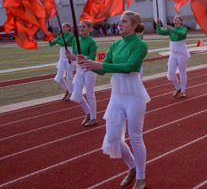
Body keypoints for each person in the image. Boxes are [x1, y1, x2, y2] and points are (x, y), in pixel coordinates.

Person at [79, 11, 149, 189]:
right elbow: (103, 70)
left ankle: (141, 177)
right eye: (119, 21)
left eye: (124, 22)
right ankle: (132, 166)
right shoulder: (115, 44)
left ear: (134, 26)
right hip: (117, 95)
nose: (119, 24)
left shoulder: (140, 45)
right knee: (112, 137)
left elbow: (130, 67)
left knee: (135, 137)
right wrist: (88, 64)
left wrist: (99, 64)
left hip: (134, 95)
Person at [67, 20, 98, 127]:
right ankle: (88, 113)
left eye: (84, 27)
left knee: (89, 93)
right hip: (80, 69)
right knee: (77, 94)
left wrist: (84, 58)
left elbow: (93, 58)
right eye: (80, 27)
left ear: (90, 29)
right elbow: (73, 56)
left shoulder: (92, 42)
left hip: (89, 69)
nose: (81, 28)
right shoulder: (76, 41)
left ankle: (93, 117)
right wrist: (70, 56)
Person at [156, 15, 190, 98]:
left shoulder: (183, 29)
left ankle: (183, 90)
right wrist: (158, 24)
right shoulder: (171, 30)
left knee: (182, 72)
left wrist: (172, 29)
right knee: (170, 74)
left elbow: (182, 34)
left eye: (177, 18)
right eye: (174, 18)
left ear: (181, 22)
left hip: (182, 54)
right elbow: (159, 32)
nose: (175, 19)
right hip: (173, 54)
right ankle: (178, 87)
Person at [48, 22, 75, 100]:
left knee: (69, 77)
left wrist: (56, 40)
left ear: (68, 28)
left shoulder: (70, 35)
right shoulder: (60, 36)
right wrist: (49, 38)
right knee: (59, 76)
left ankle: (71, 93)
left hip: (69, 57)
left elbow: (64, 42)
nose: (62, 28)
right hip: (62, 58)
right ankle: (67, 89)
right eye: (62, 27)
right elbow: (51, 44)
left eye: (64, 26)